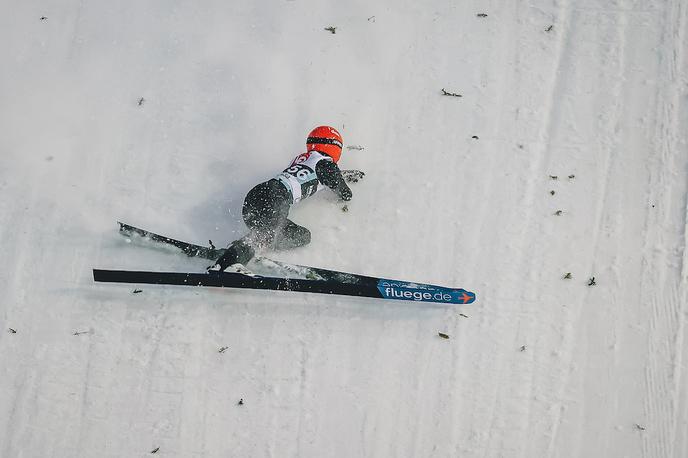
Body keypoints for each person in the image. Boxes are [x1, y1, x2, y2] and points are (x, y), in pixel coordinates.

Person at [210, 126, 353, 271]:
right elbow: (344, 193)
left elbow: (314, 174)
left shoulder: (302, 159)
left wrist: (342, 174)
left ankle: (238, 250)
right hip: (276, 198)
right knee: (266, 234)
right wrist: (346, 185)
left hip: (258, 194)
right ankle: (226, 266)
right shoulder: (326, 165)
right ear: (335, 147)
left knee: (302, 235)